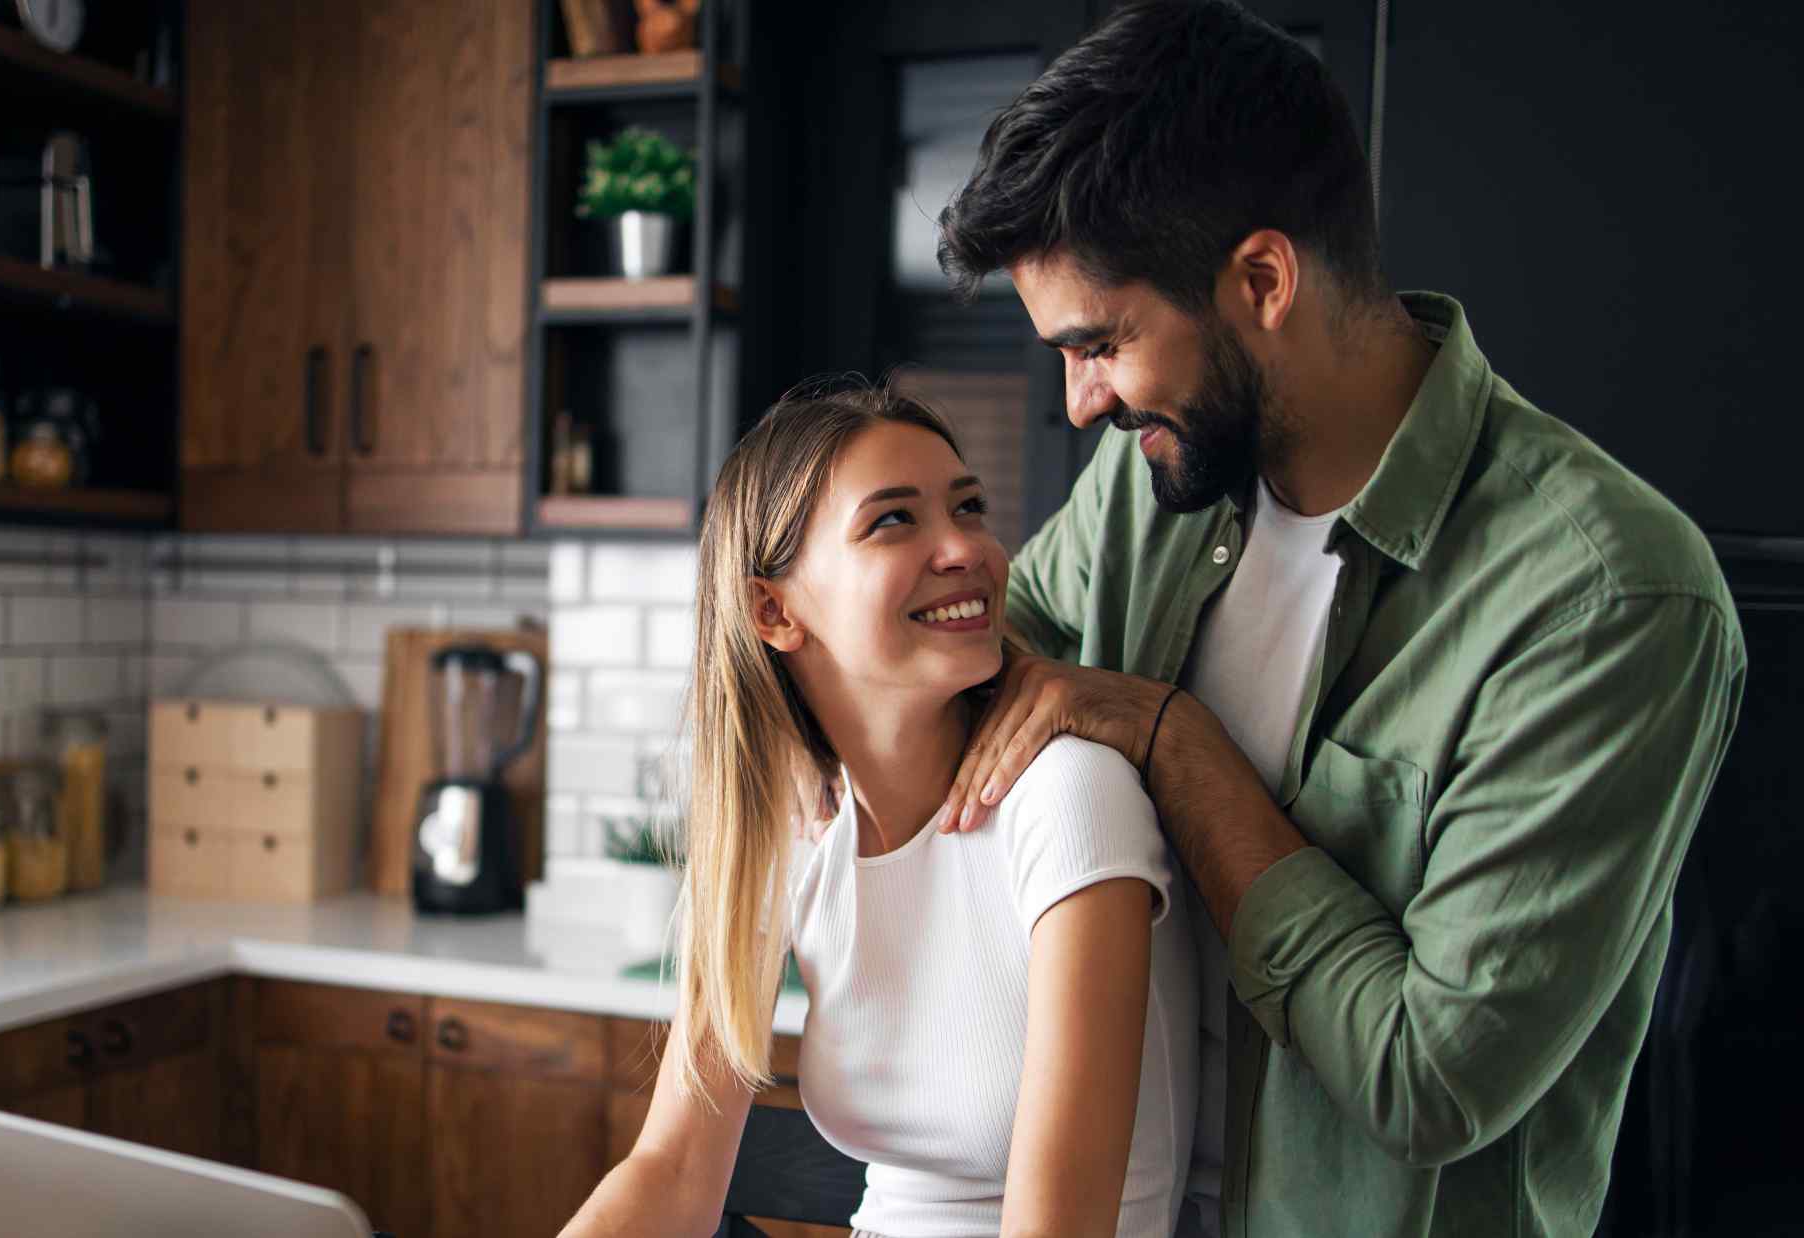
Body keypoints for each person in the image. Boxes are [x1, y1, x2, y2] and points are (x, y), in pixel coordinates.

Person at [922, 3, 1747, 1236]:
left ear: (1262, 278)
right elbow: (994, 666)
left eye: (1100, 342)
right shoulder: (1165, 472)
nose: (1080, 400)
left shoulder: (1609, 597)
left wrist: (1171, 738)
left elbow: (1431, 1076)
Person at [560, 385, 1200, 1238]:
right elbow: (673, 1171)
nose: (965, 548)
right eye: (894, 521)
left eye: (968, 507)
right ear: (773, 611)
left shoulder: (1070, 801)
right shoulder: (790, 841)